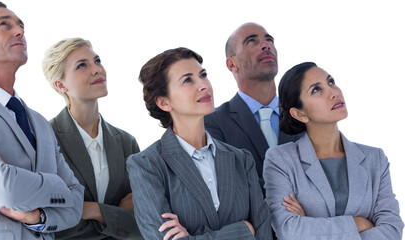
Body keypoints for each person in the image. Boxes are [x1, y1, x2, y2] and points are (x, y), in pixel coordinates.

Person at [0, 2, 84, 239]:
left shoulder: (40, 123)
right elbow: (4, 188)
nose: (20, 31)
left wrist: (38, 217)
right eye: (4, 25)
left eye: (20, 26)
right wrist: (57, 186)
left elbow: (75, 204)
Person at [127, 47, 272, 240]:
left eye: (203, 75)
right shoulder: (146, 165)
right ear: (164, 102)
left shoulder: (241, 159)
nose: (203, 85)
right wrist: (244, 230)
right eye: (188, 80)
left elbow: (263, 233)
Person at [263, 62, 404, 239]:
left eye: (331, 82)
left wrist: (312, 227)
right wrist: (359, 223)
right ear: (300, 114)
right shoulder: (281, 160)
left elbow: (392, 230)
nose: (334, 92)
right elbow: (288, 229)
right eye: (316, 90)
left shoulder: (375, 159)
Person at [42, 37, 143, 239]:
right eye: (82, 65)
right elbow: (52, 219)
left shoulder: (126, 142)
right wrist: (114, 215)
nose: (97, 69)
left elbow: (141, 218)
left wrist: (94, 210)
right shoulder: (45, 137)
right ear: (60, 84)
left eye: (97, 61)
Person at [204, 22, 299, 193]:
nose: (266, 45)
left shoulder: (304, 116)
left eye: (269, 40)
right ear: (232, 64)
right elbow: (229, 187)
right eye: (251, 42)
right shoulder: (212, 123)